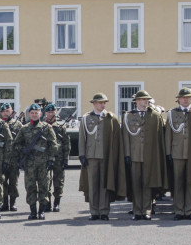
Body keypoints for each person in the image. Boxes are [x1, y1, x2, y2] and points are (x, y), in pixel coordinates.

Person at [164, 88, 191, 220]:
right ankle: (179, 210)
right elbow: (168, 135)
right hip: (177, 152)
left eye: (188, 97)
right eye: (183, 97)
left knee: (190, 182)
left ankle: (189, 210)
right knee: (178, 183)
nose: (185, 100)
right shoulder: (172, 114)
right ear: (178, 99)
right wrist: (168, 153)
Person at [78, 92, 124, 221]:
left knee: (105, 184)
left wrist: (115, 155)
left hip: (106, 156)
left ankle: (104, 211)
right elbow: (82, 137)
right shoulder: (86, 118)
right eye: (100, 102)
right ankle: (94, 211)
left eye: (104, 102)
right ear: (94, 104)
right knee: (92, 185)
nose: (103, 105)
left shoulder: (111, 118)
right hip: (91, 156)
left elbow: (116, 138)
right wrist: (82, 154)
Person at [123, 90, 167, 221]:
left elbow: (159, 137)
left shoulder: (155, 115)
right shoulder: (129, 116)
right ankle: (137, 211)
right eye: (143, 99)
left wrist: (158, 154)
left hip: (150, 154)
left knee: (147, 184)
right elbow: (126, 136)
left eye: (147, 99)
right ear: (136, 101)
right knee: (136, 184)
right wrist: (127, 154)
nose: (146, 101)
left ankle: (147, 210)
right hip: (135, 155)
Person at [13, 103, 59, 220]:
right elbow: (16, 144)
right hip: (29, 164)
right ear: (29, 114)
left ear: (40, 113)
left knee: (44, 187)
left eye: (36, 113)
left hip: (43, 163)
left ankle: (42, 211)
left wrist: (51, 159)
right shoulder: (24, 129)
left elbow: (53, 145)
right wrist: (23, 150)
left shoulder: (47, 128)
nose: (34, 115)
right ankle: (33, 211)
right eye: (32, 113)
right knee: (30, 187)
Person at [43, 103, 69, 212]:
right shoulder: (42, 126)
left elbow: (66, 143)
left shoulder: (61, 126)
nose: (51, 114)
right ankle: (47, 202)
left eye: (53, 112)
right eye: (49, 112)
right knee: (46, 181)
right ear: (45, 113)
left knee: (59, 181)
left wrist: (66, 158)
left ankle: (57, 202)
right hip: (45, 157)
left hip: (59, 157)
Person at [0, 103, 23, 212]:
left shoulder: (18, 124)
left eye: (8, 111)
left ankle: (12, 203)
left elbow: (23, 141)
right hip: (1, 158)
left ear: (11, 111)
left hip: (14, 158)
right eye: (4, 111)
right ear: (1, 113)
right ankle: (4, 203)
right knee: (2, 181)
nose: (6, 113)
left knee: (13, 182)